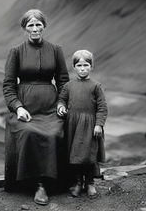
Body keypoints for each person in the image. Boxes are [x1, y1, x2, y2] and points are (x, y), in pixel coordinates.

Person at [3, 9, 69, 205]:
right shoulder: (15, 52)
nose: (35, 28)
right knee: (29, 133)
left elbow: (63, 81)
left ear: (44, 26)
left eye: (38, 24)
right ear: (24, 28)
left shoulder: (56, 50)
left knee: (57, 132)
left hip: (51, 108)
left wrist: (62, 103)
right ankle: (39, 185)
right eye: (30, 25)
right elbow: (8, 85)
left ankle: (64, 181)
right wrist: (18, 108)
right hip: (27, 111)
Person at [57, 50, 108, 197]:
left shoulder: (96, 86)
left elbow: (102, 107)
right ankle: (78, 183)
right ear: (74, 67)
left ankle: (90, 183)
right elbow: (62, 99)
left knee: (89, 155)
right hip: (73, 125)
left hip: (90, 126)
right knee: (76, 156)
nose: (83, 68)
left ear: (91, 67)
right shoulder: (69, 86)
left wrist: (99, 124)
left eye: (86, 65)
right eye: (79, 65)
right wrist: (61, 106)